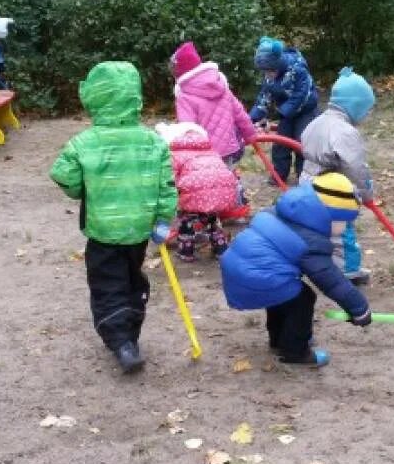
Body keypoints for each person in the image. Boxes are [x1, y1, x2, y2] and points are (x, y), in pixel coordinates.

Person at [50, 61, 177, 373]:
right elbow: (167, 185)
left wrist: (83, 189)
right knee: (132, 277)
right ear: (135, 97)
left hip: (103, 231)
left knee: (107, 284)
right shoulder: (153, 141)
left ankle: (122, 341)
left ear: (93, 98)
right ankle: (130, 331)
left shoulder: (84, 142)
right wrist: (162, 220)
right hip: (139, 230)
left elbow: (62, 173)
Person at [220, 173, 372, 367]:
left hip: (239, 267)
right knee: (303, 299)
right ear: (329, 217)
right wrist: (359, 309)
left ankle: (279, 340)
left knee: (282, 297)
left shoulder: (286, 212)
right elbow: (333, 282)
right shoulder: (311, 242)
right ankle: (295, 351)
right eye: (345, 222)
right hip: (256, 274)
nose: (346, 228)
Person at [299, 67, 377, 285]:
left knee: (317, 228)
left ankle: (316, 264)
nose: (366, 115)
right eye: (365, 109)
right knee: (341, 232)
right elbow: (356, 168)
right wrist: (366, 193)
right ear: (355, 105)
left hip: (308, 182)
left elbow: (305, 144)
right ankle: (348, 271)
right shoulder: (345, 132)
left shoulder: (316, 122)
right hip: (331, 189)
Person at [170, 41, 256, 219]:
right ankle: (236, 208)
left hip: (205, 153)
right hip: (230, 148)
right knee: (228, 177)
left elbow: (188, 128)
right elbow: (239, 113)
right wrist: (250, 134)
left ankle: (206, 213)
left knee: (207, 181)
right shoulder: (221, 85)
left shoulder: (185, 95)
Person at [155, 122, 237, 261]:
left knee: (187, 221)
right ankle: (221, 249)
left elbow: (170, 177)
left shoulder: (175, 154)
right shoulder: (211, 151)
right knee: (212, 219)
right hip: (222, 191)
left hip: (195, 192)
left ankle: (186, 252)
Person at [249, 36, 319, 184]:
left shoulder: (297, 69)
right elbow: (264, 98)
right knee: (281, 144)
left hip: (305, 111)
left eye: (270, 71)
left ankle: (303, 177)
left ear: (278, 65)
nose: (267, 75)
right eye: (265, 72)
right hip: (286, 113)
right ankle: (279, 175)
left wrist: (279, 113)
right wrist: (252, 119)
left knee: (302, 143)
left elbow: (301, 96)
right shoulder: (270, 78)